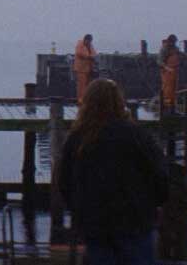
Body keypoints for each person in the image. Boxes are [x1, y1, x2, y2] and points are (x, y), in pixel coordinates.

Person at [58, 79, 168, 265]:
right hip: (135, 222)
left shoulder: (77, 139)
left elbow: (64, 182)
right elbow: (160, 175)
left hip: (95, 225)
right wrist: (154, 204)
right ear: (119, 102)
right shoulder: (136, 135)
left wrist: (79, 211)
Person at [157, 35, 181, 111]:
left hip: (174, 71)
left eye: (175, 42)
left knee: (174, 88)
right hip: (167, 72)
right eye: (173, 42)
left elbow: (179, 53)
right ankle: (166, 106)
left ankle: (173, 105)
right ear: (169, 41)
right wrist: (167, 68)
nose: (174, 43)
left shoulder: (175, 48)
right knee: (167, 88)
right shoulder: (164, 49)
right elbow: (159, 61)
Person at [73, 34, 97, 103]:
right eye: (88, 41)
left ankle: (87, 99)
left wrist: (92, 57)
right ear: (85, 39)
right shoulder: (80, 44)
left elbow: (94, 53)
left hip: (89, 68)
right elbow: (79, 53)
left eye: (90, 41)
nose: (89, 42)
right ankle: (80, 99)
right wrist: (89, 56)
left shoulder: (90, 46)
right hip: (81, 69)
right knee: (81, 85)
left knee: (88, 85)